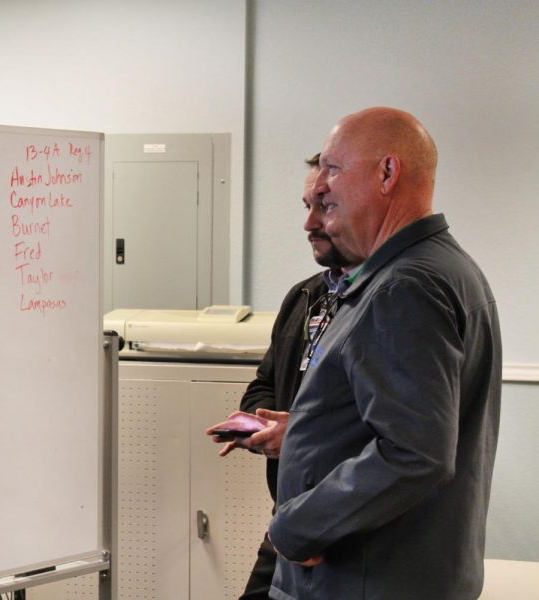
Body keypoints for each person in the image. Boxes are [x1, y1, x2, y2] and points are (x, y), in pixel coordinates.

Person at [268, 108, 501, 599]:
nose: (322, 185)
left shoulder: (405, 285)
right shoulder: (442, 268)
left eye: (332, 167)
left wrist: (298, 527)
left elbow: (414, 453)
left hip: (366, 580)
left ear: (387, 173)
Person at [206, 154, 358, 599]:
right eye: (306, 205)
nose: (310, 222)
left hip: (344, 521)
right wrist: (265, 423)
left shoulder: (385, 299)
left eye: (325, 207)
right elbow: (263, 384)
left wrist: (300, 433)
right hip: (290, 515)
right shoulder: (305, 297)